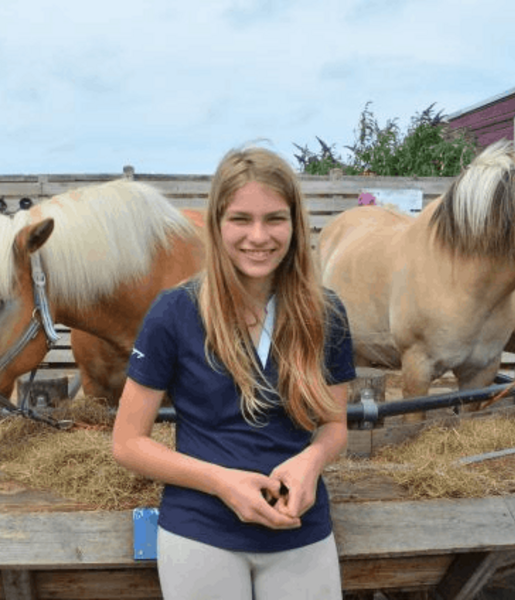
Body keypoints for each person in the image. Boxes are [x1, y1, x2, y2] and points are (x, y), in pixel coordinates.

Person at [112, 145, 356, 599]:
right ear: (217, 224)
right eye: (241, 219)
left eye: (275, 219)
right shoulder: (175, 312)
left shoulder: (327, 313)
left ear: (295, 224)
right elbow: (128, 443)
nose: (258, 236)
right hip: (201, 533)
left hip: (301, 530)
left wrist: (311, 461)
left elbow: (335, 426)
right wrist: (223, 482)